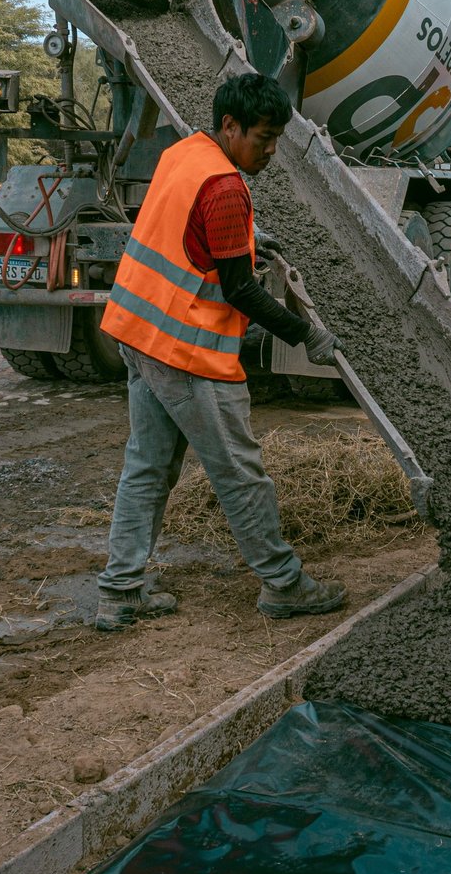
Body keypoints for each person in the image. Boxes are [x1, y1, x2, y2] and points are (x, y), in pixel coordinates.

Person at [94, 72, 347, 631]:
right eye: (263, 137)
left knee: (148, 467)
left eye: (278, 137)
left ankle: (119, 592)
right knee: (239, 471)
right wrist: (305, 335)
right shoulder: (227, 187)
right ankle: (283, 584)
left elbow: (192, 236)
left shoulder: (186, 153)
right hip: (186, 350)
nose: (272, 150)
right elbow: (240, 290)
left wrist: (252, 241)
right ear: (230, 126)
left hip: (137, 332)